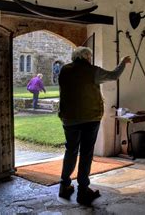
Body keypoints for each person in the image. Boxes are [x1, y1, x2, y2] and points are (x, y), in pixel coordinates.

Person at [57, 46, 131, 205]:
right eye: (89, 57)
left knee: (70, 150)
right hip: (90, 117)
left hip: (68, 117)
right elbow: (114, 75)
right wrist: (123, 63)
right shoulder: (92, 71)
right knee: (86, 152)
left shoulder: (64, 70)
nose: (90, 59)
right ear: (86, 57)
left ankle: (64, 185)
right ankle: (83, 190)